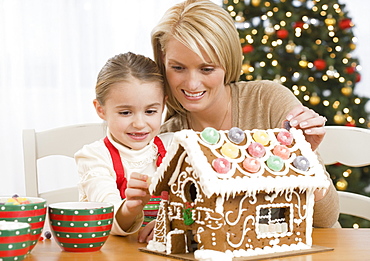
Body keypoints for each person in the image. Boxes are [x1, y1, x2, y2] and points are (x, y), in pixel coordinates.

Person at [139, 0, 339, 243]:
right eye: (178, 68)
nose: (191, 84)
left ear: (227, 64)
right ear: (163, 62)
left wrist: (305, 162)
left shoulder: (268, 101)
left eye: (207, 69)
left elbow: (327, 219)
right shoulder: (168, 138)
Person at [75, 52, 172, 236]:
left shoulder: (174, 146)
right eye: (126, 112)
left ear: (163, 105)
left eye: (150, 111)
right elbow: (106, 217)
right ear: (100, 110)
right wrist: (131, 208)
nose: (139, 123)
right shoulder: (93, 157)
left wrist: (171, 223)